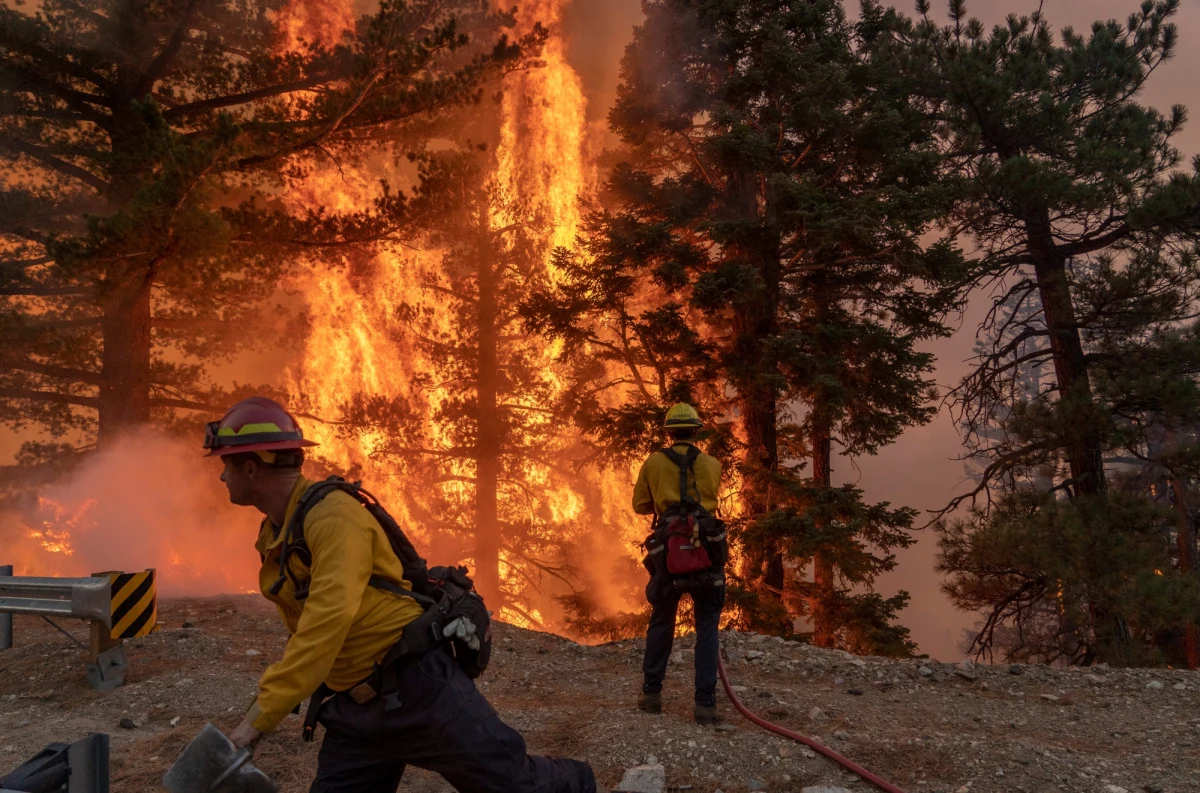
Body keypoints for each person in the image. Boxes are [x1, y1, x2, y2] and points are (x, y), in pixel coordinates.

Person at [205, 396, 598, 793]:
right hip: (354, 709)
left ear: (252, 467)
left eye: (225, 465)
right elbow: (304, 626)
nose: (222, 477)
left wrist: (252, 726)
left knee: (516, 787)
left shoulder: (333, 518)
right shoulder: (278, 532)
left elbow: (325, 626)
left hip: (418, 688)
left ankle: (581, 783)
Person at [632, 403, 725, 725]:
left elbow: (640, 506)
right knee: (707, 625)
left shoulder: (654, 462)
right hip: (706, 552)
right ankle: (705, 704)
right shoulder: (712, 464)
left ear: (668, 432)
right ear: (697, 431)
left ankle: (652, 694)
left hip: (669, 555)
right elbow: (710, 501)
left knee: (662, 619)